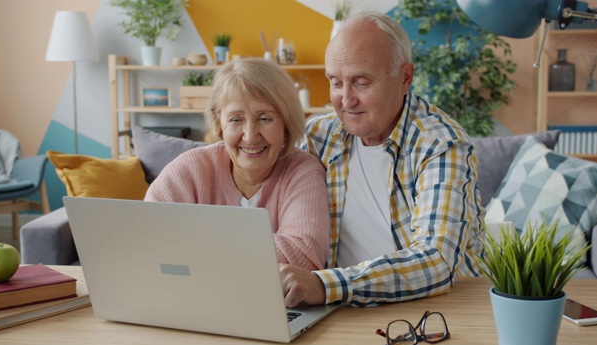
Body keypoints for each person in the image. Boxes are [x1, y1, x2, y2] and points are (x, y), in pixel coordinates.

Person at [279, 12, 485, 307]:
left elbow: (436, 260)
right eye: (336, 83)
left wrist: (326, 285)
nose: (346, 100)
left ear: (405, 78)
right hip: (341, 310)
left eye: (361, 82)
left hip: (439, 310)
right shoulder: (318, 136)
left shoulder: (441, 143)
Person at [145, 58, 330, 271]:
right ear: (219, 123)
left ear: (286, 124)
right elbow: (151, 239)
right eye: (236, 119)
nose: (250, 137)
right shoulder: (190, 169)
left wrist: (193, 243)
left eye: (265, 118)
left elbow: (304, 256)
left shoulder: (303, 172)